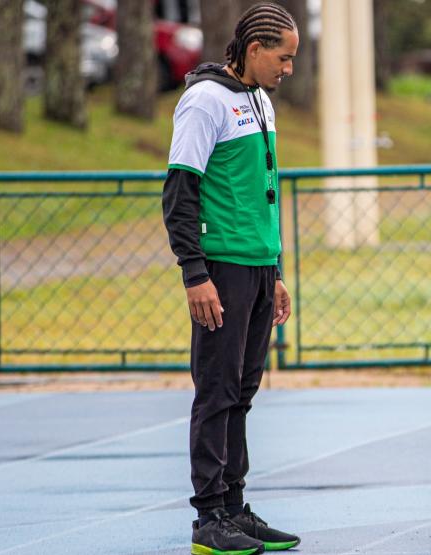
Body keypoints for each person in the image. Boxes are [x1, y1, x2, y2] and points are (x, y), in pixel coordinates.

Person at [161, 3, 300, 554]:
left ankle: (235, 506)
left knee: (242, 392)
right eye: (283, 58)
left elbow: (260, 193)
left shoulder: (260, 100)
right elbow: (179, 194)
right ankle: (208, 517)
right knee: (216, 392)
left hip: (260, 269)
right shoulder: (204, 100)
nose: (288, 69)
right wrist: (195, 274)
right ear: (255, 49)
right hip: (221, 270)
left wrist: (277, 271)